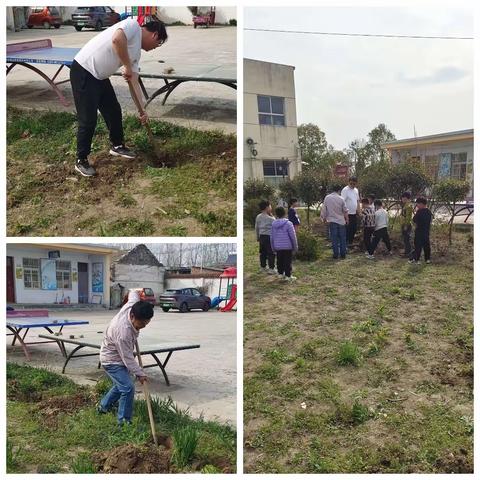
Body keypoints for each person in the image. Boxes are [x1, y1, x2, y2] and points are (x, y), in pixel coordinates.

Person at [70, 18, 168, 177]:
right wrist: (127, 66)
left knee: (114, 111)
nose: (154, 49)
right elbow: (117, 39)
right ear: (155, 35)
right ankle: (81, 159)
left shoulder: (136, 54)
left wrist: (142, 110)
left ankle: (117, 145)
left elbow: (134, 81)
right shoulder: (132, 26)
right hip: (84, 70)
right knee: (88, 119)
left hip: (100, 77)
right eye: (157, 45)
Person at [98, 288, 154, 424]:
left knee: (121, 385)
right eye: (141, 324)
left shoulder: (132, 306)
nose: (143, 326)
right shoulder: (123, 332)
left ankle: (103, 407)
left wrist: (138, 290)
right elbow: (127, 358)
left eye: (146, 323)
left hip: (120, 355)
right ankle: (123, 422)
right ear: (133, 317)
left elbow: (133, 293)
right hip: (111, 360)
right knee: (128, 388)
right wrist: (140, 374)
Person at [321, 184, 349, 259]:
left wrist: (323, 218)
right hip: (341, 221)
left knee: (334, 238)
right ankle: (343, 254)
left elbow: (324, 209)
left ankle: (335, 254)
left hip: (332, 221)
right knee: (342, 238)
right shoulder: (341, 199)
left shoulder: (327, 198)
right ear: (339, 190)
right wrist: (347, 219)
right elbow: (345, 211)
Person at [270, 207, 298, 281]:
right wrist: (295, 247)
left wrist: (273, 247)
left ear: (276, 214)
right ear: (285, 213)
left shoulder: (273, 224)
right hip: (287, 246)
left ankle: (280, 274)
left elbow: (272, 237)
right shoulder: (289, 223)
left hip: (278, 246)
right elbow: (293, 236)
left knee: (279, 261)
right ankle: (288, 276)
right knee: (287, 261)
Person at [409, 197, 432, 264]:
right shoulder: (429, 212)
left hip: (419, 231)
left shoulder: (419, 211)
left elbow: (414, 220)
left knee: (418, 245)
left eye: (418, 204)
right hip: (426, 231)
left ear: (421, 204)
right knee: (426, 245)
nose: (417, 206)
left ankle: (417, 259)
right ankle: (427, 259)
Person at [255, 200, 276, 274]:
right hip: (269, 237)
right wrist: (272, 215)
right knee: (271, 253)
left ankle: (263, 267)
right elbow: (275, 227)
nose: (271, 207)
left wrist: (257, 236)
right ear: (267, 207)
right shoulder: (271, 218)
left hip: (262, 237)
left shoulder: (258, 216)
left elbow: (256, 227)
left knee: (262, 253)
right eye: (270, 206)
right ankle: (271, 269)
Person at [341, 177, 360, 246]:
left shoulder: (356, 190)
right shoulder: (345, 190)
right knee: (347, 229)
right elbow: (342, 202)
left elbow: (357, 201)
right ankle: (345, 243)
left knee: (354, 228)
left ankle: (350, 242)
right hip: (347, 213)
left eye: (354, 184)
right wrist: (344, 213)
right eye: (351, 183)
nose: (352, 185)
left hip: (354, 213)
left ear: (356, 184)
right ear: (348, 182)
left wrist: (359, 211)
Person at [400, 192, 414, 257]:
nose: (402, 199)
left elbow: (408, 217)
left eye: (402, 198)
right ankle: (406, 252)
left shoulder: (408, 206)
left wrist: (406, 225)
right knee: (405, 239)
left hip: (406, 225)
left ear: (405, 198)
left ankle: (408, 253)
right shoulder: (406, 205)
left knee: (407, 239)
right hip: (404, 224)